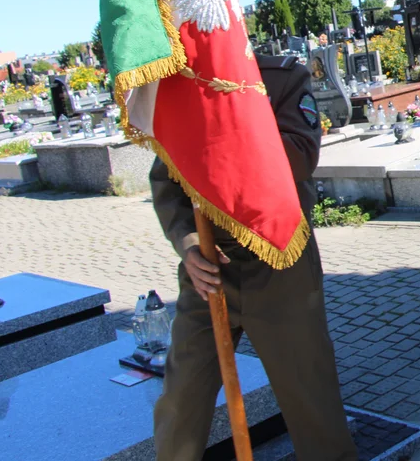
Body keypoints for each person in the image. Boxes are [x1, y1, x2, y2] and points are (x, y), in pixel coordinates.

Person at [150, 54, 357, 461]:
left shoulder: (280, 77)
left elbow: (300, 157)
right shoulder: (179, 86)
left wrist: (226, 117)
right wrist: (188, 243)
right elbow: (166, 179)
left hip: (280, 259)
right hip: (208, 265)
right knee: (181, 399)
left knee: (310, 399)